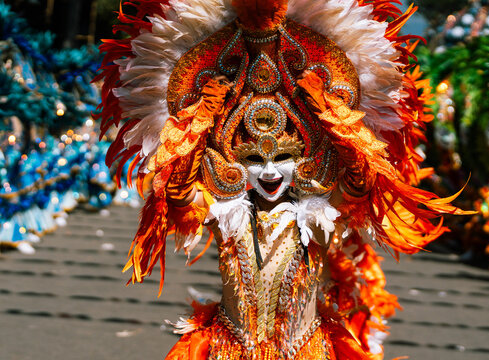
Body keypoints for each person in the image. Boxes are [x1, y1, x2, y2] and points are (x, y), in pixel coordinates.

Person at [96, 0, 469, 358]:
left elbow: (359, 182)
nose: (270, 172)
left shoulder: (317, 218)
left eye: (284, 158)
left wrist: (333, 116)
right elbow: (176, 193)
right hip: (229, 352)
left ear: (305, 159)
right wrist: (200, 119)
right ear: (234, 163)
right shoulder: (225, 212)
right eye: (255, 159)